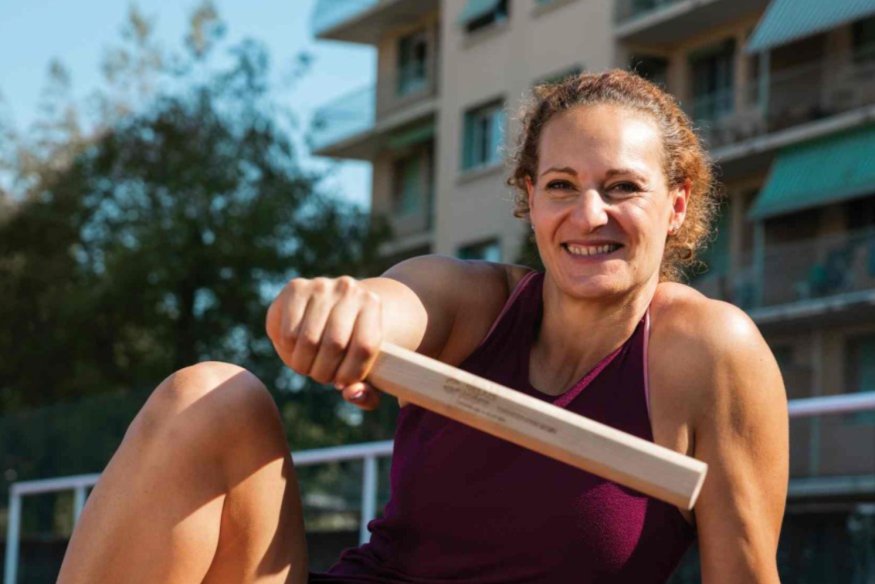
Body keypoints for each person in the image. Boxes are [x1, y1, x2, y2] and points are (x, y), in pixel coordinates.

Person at [57, 70, 788, 584]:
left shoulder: (706, 350)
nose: (587, 216)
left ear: (674, 204)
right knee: (207, 395)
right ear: (529, 200)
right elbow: (390, 304)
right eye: (561, 186)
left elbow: (746, 575)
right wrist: (337, 310)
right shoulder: (474, 302)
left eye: (622, 187)